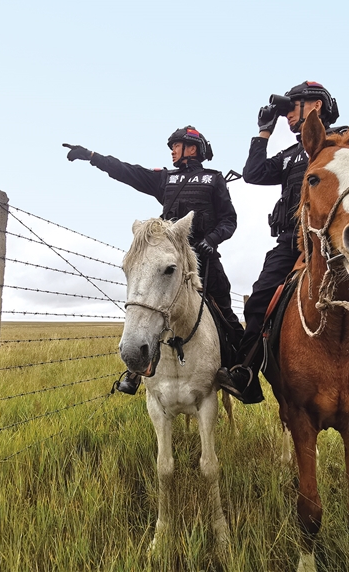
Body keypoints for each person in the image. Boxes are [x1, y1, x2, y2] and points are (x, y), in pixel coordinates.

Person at [215, 81, 349, 422]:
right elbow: (253, 173)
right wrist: (264, 133)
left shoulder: (348, 142)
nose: (287, 115)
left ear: (316, 106)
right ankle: (246, 371)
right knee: (260, 299)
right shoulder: (294, 153)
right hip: (292, 240)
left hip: (335, 243)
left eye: (292, 107)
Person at [63, 126, 244, 395]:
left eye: (177, 145)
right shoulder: (165, 179)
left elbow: (229, 220)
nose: (172, 150)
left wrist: (212, 239)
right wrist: (92, 156)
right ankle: (136, 369)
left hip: (204, 259)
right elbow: (128, 172)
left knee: (226, 315)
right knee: (150, 304)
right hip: (168, 260)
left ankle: (237, 371)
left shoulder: (214, 179)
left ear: (192, 148)